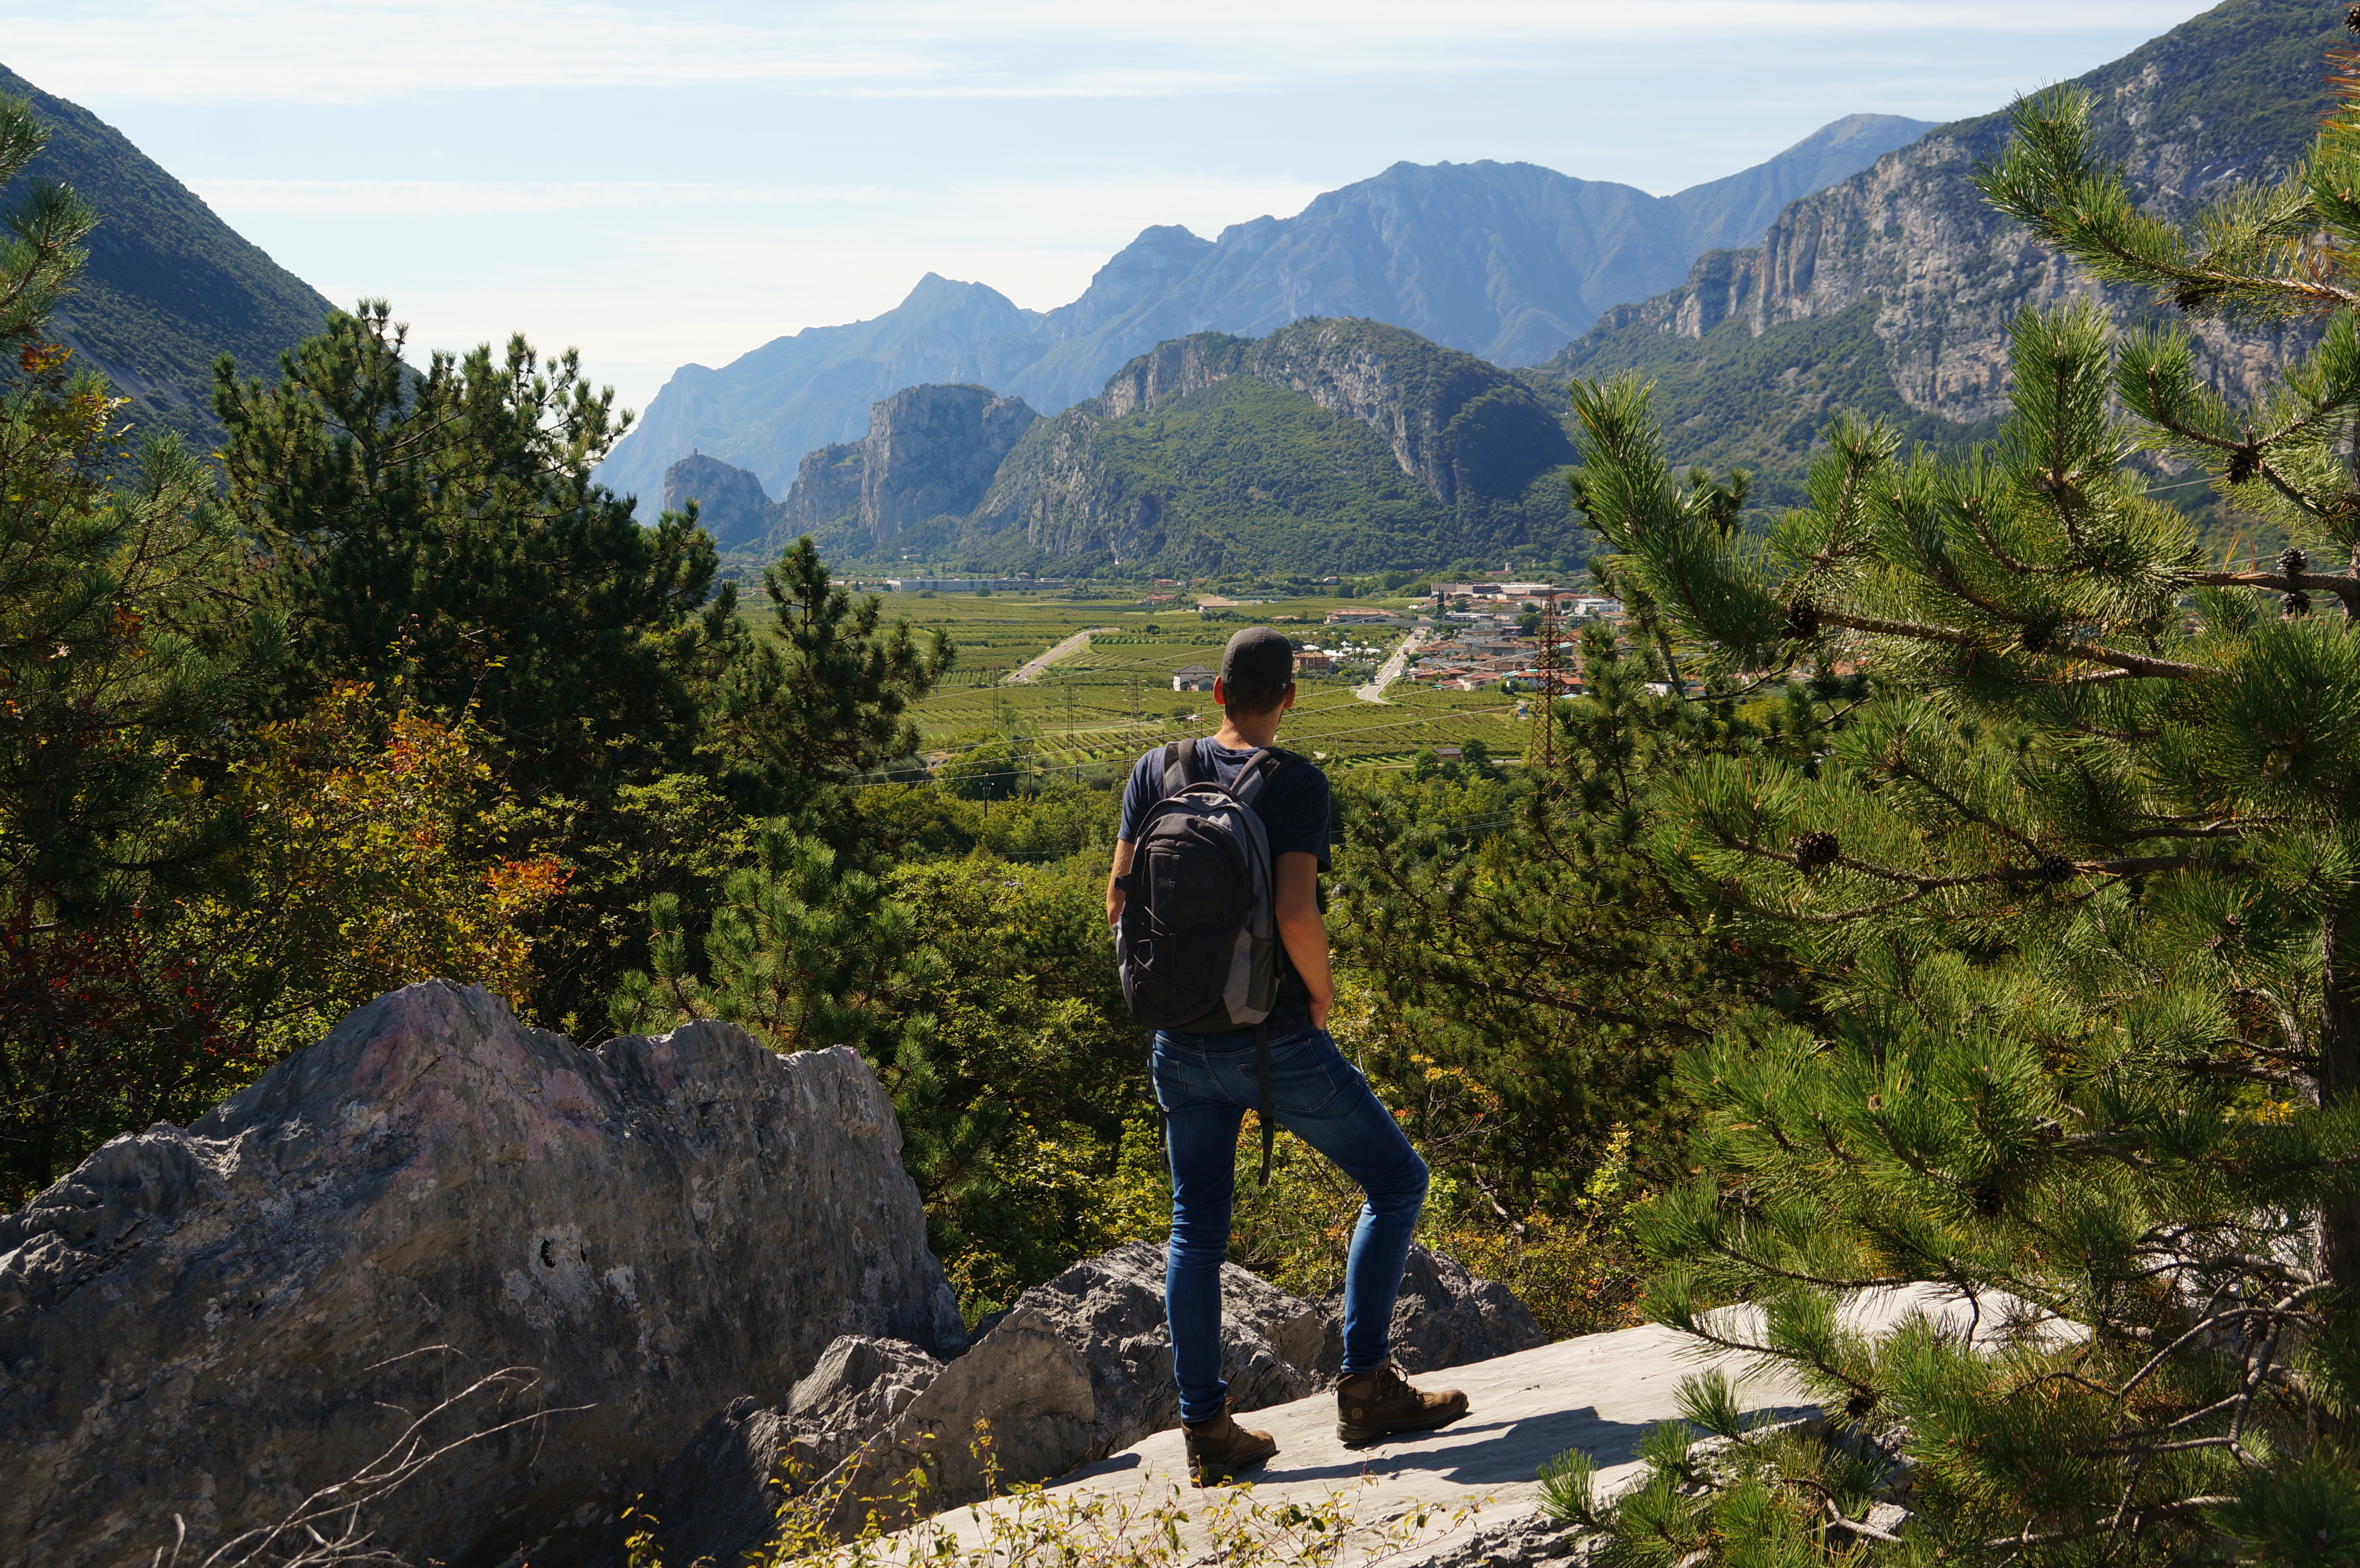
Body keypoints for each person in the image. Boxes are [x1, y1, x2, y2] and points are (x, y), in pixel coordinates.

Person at [1106, 626, 1469, 1484]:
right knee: (1396, 1182)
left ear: (1218, 692)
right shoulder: (1296, 783)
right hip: (1276, 1043)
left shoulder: (1155, 770)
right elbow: (1297, 914)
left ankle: (1207, 1430)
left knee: (1194, 1229)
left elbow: (1118, 900)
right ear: (1289, 699)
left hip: (1179, 1043)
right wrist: (1322, 994)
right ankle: (1366, 1386)